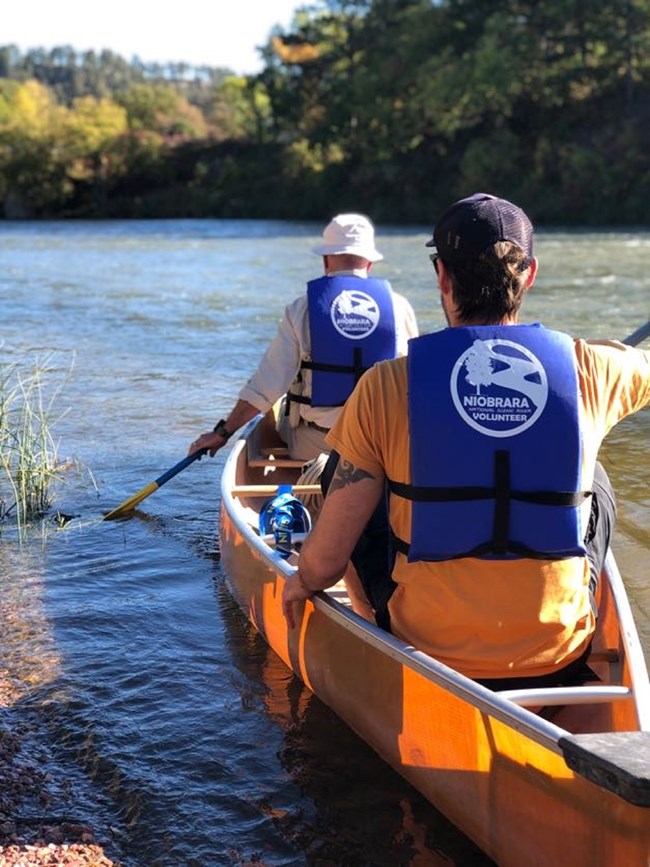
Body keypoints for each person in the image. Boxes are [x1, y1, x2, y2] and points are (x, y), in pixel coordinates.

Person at [283, 192, 650, 689]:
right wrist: (601, 354)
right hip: (560, 652)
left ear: (443, 277)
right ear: (530, 274)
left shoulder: (386, 385)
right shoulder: (593, 369)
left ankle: (371, 625)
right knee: (593, 472)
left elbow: (325, 565)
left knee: (345, 476)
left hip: (425, 648)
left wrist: (301, 582)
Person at [188, 213, 418, 463]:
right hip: (381, 446)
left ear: (326, 261)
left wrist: (223, 432)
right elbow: (412, 380)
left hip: (316, 446)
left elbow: (267, 385)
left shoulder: (303, 307)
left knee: (285, 406)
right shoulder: (400, 306)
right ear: (369, 263)